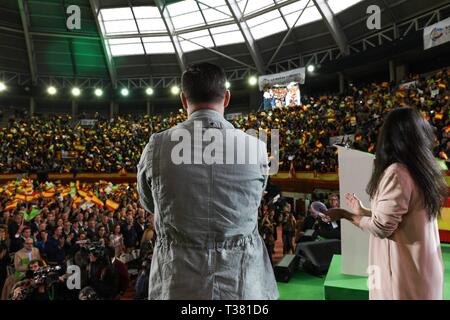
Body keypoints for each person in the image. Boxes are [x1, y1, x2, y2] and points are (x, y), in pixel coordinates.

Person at [137, 62, 278, 300]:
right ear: (227, 98)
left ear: (184, 100)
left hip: (178, 283)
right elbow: (255, 199)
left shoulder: (157, 146)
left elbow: (149, 203)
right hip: (242, 283)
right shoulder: (257, 147)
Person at [325, 107, 447, 300]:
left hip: (403, 279)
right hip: (424, 272)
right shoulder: (425, 169)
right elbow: (402, 216)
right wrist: (364, 211)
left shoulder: (398, 172)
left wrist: (345, 214)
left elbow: (382, 227)